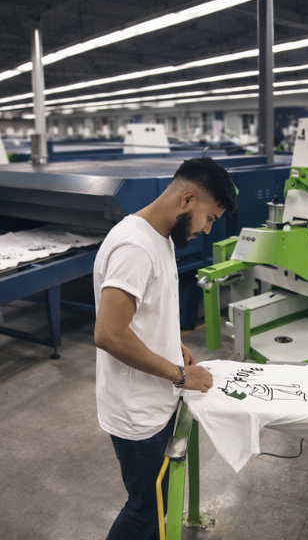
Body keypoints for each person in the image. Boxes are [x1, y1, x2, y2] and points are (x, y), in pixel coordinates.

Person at [93, 157, 237, 539]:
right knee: (146, 514)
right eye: (210, 218)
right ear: (187, 198)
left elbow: (145, 310)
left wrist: (173, 344)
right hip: (137, 414)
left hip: (154, 399)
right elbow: (109, 333)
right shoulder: (135, 247)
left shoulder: (161, 238)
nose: (207, 230)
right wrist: (179, 374)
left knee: (155, 506)